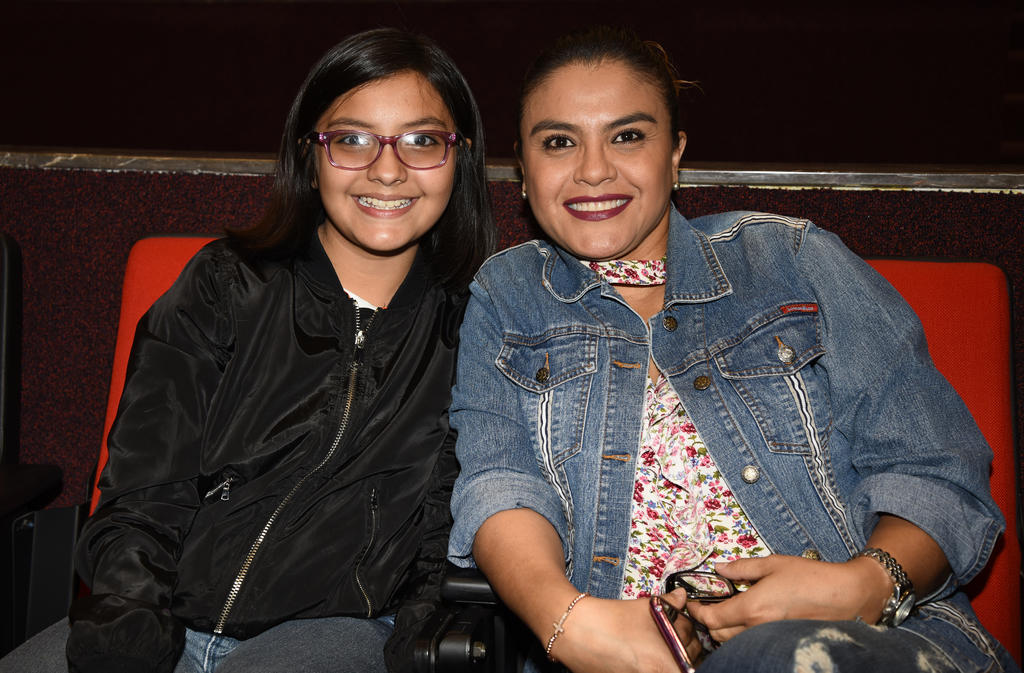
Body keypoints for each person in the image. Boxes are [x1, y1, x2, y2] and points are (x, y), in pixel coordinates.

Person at [447, 26, 1017, 673]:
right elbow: (501, 483)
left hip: (869, 644)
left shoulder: (791, 258)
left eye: (628, 136)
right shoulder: (507, 295)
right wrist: (571, 625)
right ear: (523, 171)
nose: (594, 169)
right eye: (559, 142)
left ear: (675, 154)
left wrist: (860, 586)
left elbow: (937, 469)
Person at [1, 27, 493, 673]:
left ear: (460, 159)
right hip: (163, 609)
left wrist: (419, 641)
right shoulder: (223, 284)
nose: (387, 169)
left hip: (338, 627)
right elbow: (145, 486)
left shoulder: (479, 321)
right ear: (309, 156)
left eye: (421, 140)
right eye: (352, 139)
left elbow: (445, 534)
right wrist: (130, 625)